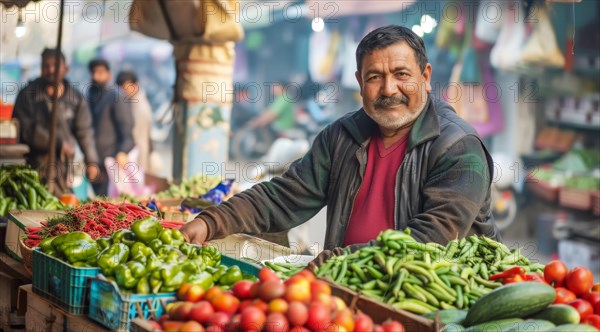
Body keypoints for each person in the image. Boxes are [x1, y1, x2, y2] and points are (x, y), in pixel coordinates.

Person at [180, 25, 500, 250]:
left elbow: (432, 238)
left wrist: (335, 262)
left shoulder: (457, 146)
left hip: (435, 305)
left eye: (402, 75)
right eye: (375, 77)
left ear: (426, 77)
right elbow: (285, 196)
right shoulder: (342, 136)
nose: (389, 90)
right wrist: (211, 221)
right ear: (360, 82)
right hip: (353, 295)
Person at [12, 48, 99, 195]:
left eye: (55, 65)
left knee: (64, 206)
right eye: (46, 66)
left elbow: (84, 131)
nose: (51, 69)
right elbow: (26, 129)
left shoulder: (75, 98)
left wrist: (92, 161)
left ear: (66, 69)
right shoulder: (27, 95)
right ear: (41, 68)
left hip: (63, 168)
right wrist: (58, 143)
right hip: (32, 168)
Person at [87, 59, 135, 196]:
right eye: (93, 72)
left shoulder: (116, 97)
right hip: (94, 162)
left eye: (100, 72)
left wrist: (122, 151)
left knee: (109, 204)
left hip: (112, 162)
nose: (96, 76)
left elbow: (127, 132)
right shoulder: (90, 96)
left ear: (109, 74)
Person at [116, 70, 153, 172]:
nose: (125, 91)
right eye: (123, 88)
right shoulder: (129, 104)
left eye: (128, 87)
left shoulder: (140, 108)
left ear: (136, 86)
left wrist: (141, 168)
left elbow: (140, 142)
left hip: (137, 162)